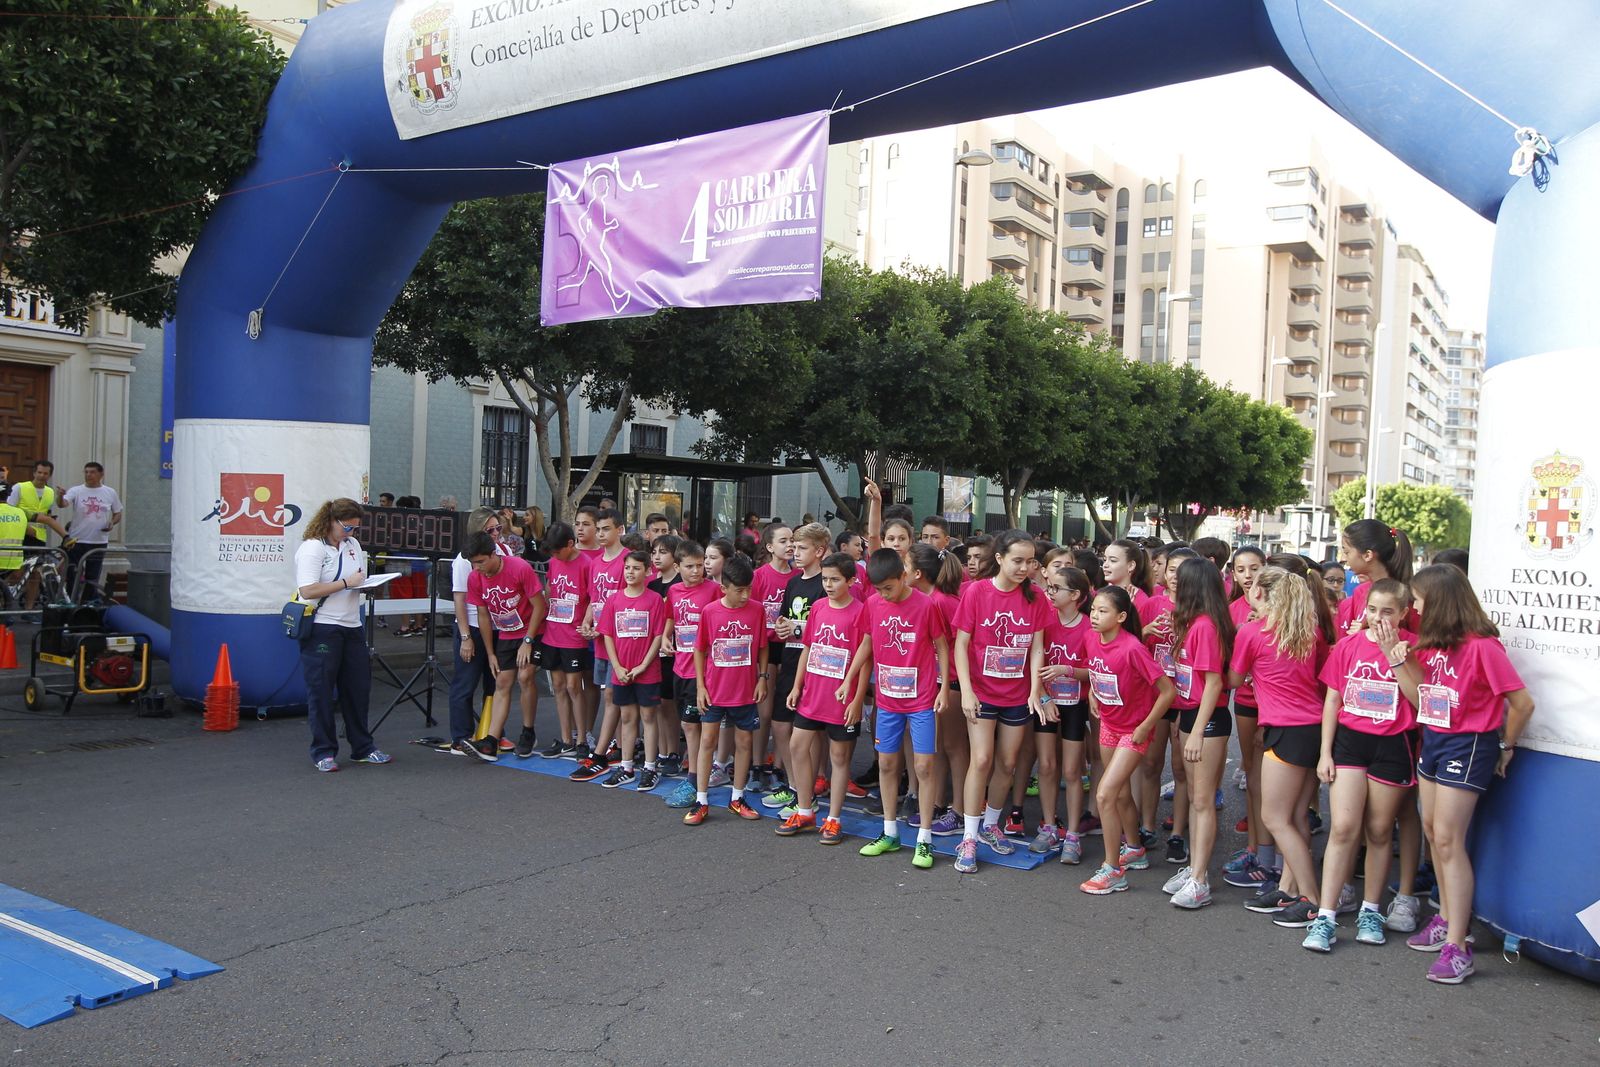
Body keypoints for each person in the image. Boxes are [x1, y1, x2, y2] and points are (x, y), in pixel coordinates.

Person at [1384, 565, 1534, 984]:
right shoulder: (1433, 646)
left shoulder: (1483, 647)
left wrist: (1506, 746)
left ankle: (1458, 945)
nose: (1413, 606)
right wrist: (1396, 659)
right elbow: (1421, 701)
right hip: (1435, 740)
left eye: (1418, 599)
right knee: (1435, 832)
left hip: (1468, 745)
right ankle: (1449, 920)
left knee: (1449, 839)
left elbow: (1522, 704)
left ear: (1439, 601)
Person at [1301, 577, 1418, 951]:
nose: (1378, 618)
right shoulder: (1348, 645)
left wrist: (1393, 655)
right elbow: (1332, 701)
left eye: (1388, 612)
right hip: (1350, 744)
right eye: (1372, 610)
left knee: (1380, 831)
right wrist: (1325, 752)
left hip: (1392, 745)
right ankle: (1325, 917)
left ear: (1403, 613)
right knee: (1344, 827)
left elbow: (1419, 699)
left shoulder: (1411, 647)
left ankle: (1371, 910)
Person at [1227, 566, 1330, 923]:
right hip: (1313, 727)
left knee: (1273, 816)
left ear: (1262, 593)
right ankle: (1289, 889)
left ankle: (1312, 898)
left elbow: (1234, 679)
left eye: (1254, 584)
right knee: (1295, 814)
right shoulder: (1308, 631)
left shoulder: (1252, 633)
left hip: (1285, 730)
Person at [950, 530, 1054, 874]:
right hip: (981, 692)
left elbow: (1037, 647)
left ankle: (991, 825)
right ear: (1000, 559)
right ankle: (968, 836)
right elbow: (961, 645)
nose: (1025, 567)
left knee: (1007, 764)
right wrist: (966, 690)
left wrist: (1035, 689)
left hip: (1017, 696)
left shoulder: (1036, 597)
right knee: (981, 760)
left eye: (1030, 561)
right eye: (1017, 560)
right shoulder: (977, 592)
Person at [1079, 586, 1177, 895]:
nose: (1095, 616)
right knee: (1118, 795)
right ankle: (1134, 848)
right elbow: (1096, 670)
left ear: (1121, 617)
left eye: (1103, 611)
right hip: (1109, 724)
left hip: (1133, 730)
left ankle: (1113, 870)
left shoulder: (1133, 647)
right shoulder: (1090, 638)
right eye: (1094, 609)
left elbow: (1167, 691)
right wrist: (1094, 691)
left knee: (1105, 795)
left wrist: (1146, 726)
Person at [862, 548, 951, 870]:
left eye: (889, 587)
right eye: (879, 589)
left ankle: (925, 839)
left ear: (904, 576)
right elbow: (868, 642)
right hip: (887, 701)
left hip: (922, 700)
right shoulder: (873, 604)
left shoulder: (927, 605)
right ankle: (889, 832)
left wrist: (942, 687)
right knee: (887, 764)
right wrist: (849, 679)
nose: (885, 594)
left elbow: (941, 645)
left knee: (925, 766)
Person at [780, 551, 871, 842]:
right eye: (826, 579)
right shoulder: (818, 607)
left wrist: (857, 699)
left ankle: (833, 818)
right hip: (812, 695)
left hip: (842, 701)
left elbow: (866, 658)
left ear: (851, 580)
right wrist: (797, 686)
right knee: (797, 746)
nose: (829, 584)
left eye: (835, 579)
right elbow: (808, 647)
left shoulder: (861, 611)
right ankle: (805, 809)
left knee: (840, 757)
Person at [294, 498, 389, 772]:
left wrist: (366, 585)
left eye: (356, 529)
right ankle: (323, 751)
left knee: (358, 690)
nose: (351, 533)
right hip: (323, 627)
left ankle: (363, 747)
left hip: (351, 626)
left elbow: (359, 579)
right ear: (331, 522)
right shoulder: (313, 548)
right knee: (321, 692)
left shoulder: (352, 546)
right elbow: (307, 590)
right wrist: (346, 583)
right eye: (347, 528)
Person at [1162, 557, 1235, 909]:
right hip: (1192, 716)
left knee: (1203, 801)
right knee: (1194, 798)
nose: (1172, 580)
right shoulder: (1191, 623)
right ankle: (1194, 868)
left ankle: (1201, 879)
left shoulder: (1205, 626)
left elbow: (1214, 683)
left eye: (1179, 576)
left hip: (1208, 720)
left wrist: (1195, 733)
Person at [684, 553, 769, 826]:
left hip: (745, 691)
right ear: (724, 587)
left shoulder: (757, 610)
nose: (745, 596)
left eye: (748, 589)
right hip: (714, 690)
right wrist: (700, 686)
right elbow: (699, 650)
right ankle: (701, 800)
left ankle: (738, 797)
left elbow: (763, 646)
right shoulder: (710, 611)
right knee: (707, 742)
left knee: (744, 743)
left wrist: (762, 677)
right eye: (739, 590)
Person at [763, 523, 830, 812]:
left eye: (802, 548)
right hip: (790, 659)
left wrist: (797, 628)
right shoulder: (793, 582)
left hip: (814, 665)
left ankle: (808, 792)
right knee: (780, 725)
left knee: (808, 731)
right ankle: (794, 786)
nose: (794, 552)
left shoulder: (825, 583)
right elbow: (785, 618)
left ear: (819, 551)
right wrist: (781, 627)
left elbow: (826, 626)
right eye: (794, 546)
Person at [466, 531, 547, 758]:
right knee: (502, 682)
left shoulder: (519, 568)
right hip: (506, 633)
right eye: (473, 563)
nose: (478, 567)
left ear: (494, 555)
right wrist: (490, 653)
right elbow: (483, 615)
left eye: (481, 562)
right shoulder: (475, 578)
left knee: (525, 677)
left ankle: (528, 732)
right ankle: (491, 740)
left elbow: (539, 606)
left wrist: (528, 641)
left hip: (533, 630)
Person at [596, 550, 669, 791]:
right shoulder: (614, 599)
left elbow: (658, 636)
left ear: (647, 571)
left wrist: (643, 665)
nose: (630, 572)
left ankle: (650, 767)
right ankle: (626, 766)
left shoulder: (654, 600)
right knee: (627, 717)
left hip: (647, 671)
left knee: (648, 717)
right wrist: (616, 666)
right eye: (627, 568)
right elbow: (607, 634)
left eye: (636, 568)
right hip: (622, 670)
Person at [1038, 565, 1094, 863]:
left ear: (1076, 595)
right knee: (1046, 766)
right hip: (1046, 702)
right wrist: (1044, 695)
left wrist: (1068, 670)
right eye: (1049, 587)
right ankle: (1049, 826)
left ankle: (1073, 833)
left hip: (1075, 704)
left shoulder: (1088, 627)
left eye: (1056, 588)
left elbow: (1096, 670)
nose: (1050, 593)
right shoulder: (1044, 621)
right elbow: (1032, 660)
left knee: (1072, 771)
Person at [662, 541, 724, 808]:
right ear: (677, 567)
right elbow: (671, 618)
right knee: (687, 724)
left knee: (695, 725)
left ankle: (695, 779)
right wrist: (665, 637)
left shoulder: (713, 590)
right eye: (690, 566)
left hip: (703, 671)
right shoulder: (674, 591)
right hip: (680, 666)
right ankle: (696, 774)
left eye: (700, 565)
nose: (697, 571)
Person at [571, 507, 629, 781]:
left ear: (619, 530)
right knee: (609, 695)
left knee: (612, 695)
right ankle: (616, 747)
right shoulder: (595, 563)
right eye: (600, 529)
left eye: (607, 529)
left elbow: (629, 604)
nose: (602, 534)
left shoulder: (627, 561)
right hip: (601, 641)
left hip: (620, 641)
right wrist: (586, 621)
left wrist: (603, 629)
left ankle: (603, 753)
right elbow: (596, 599)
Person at [447, 507, 506, 761]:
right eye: (489, 530)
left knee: (495, 683)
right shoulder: (463, 560)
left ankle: (492, 734)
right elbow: (459, 598)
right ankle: (461, 737)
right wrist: (465, 637)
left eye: (497, 529)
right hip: (471, 625)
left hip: (499, 625)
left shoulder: (504, 551)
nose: (495, 534)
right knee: (466, 683)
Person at [533, 521, 593, 759]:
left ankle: (581, 738)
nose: (555, 556)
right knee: (558, 686)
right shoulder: (554, 562)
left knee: (573, 686)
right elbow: (549, 586)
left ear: (570, 544)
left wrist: (586, 622)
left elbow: (592, 597)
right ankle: (566, 737)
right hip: (552, 632)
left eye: (558, 551)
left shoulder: (586, 564)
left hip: (574, 634)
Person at [748, 523, 795, 792]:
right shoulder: (759, 576)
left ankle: (777, 766)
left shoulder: (798, 577)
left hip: (789, 648)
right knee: (763, 711)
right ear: (769, 546)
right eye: (783, 541)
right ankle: (757, 765)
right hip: (764, 648)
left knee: (782, 711)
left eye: (792, 540)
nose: (789, 545)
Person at [58, 462, 122, 601]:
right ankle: (71, 601)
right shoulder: (76, 490)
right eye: (86, 472)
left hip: (98, 541)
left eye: (92, 472)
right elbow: (62, 504)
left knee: (92, 576)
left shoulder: (110, 492)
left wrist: (112, 522)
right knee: (73, 573)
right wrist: (60, 496)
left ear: (101, 474)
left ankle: (87, 603)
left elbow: (118, 513)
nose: (88, 475)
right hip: (77, 540)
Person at [648, 534, 683, 773]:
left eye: (663, 552)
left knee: (672, 703)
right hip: (654, 650)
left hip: (677, 651)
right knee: (658, 703)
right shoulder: (650, 585)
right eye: (654, 552)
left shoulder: (680, 585)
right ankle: (662, 751)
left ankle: (674, 752)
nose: (657, 557)